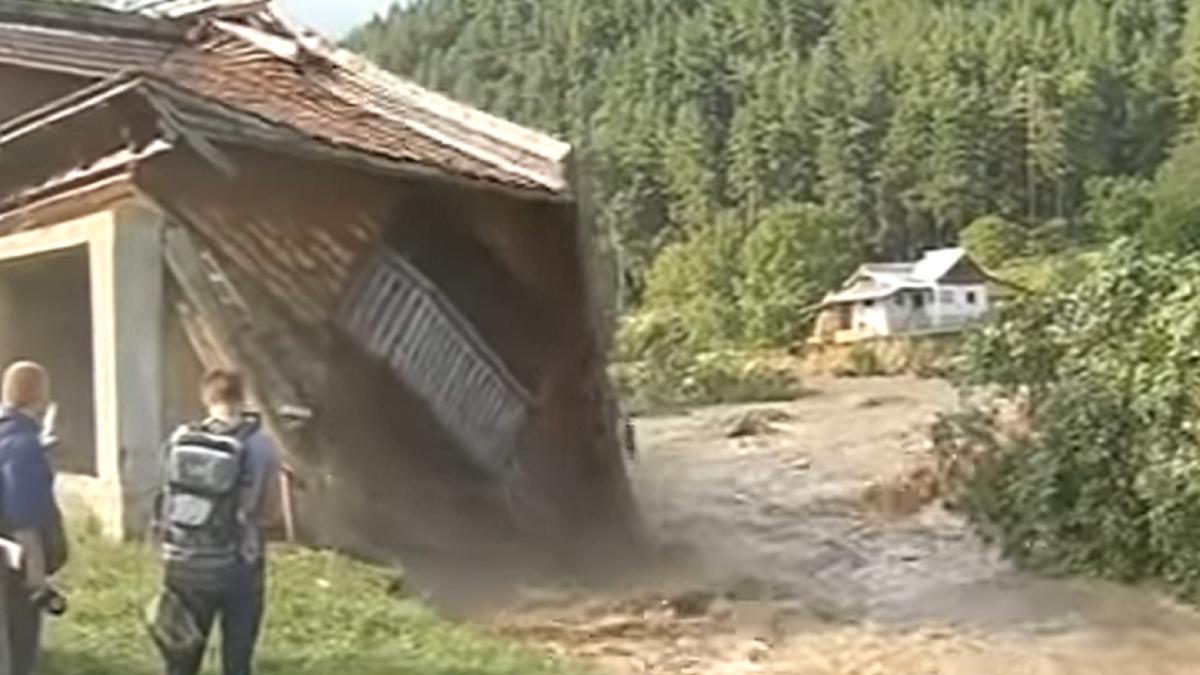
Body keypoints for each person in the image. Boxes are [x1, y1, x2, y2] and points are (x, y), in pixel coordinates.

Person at [151, 369, 280, 675]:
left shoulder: (180, 440)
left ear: (206, 398)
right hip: (238, 565)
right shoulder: (260, 445)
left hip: (183, 564)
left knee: (181, 659)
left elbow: (167, 499)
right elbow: (272, 513)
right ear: (243, 397)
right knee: (237, 660)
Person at [0, 361, 64, 675]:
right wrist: (38, 582)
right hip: (16, 572)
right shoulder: (25, 447)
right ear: (40, 397)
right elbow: (25, 520)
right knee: (19, 656)